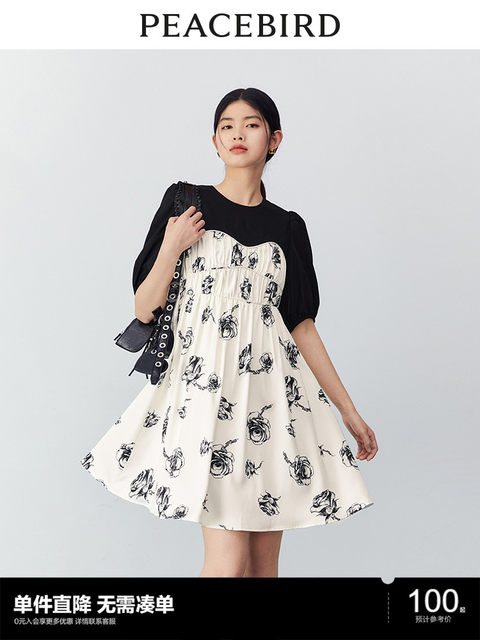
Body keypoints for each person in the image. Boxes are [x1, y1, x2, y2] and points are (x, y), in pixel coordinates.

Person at [80, 87, 378, 578]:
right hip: (207, 395)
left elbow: (301, 327)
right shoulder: (187, 202)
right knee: (229, 562)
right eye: (227, 126)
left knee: (262, 568)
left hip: (272, 401)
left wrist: (349, 412)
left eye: (251, 124)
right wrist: (172, 245)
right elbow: (144, 306)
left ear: (274, 139)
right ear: (215, 141)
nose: (238, 133)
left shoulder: (288, 227)